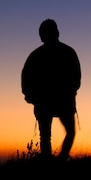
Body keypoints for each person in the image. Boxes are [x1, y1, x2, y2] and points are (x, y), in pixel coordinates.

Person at [21, 19, 81, 160]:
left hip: (46, 102)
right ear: (57, 33)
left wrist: (31, 96)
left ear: (42, 35)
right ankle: (60, 159)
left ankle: (50, 162)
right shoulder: (68, 52)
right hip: (60, 101)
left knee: (45, 136)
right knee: (68, 133)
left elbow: (25, 80)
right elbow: (77, 78)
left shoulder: (35, 55)